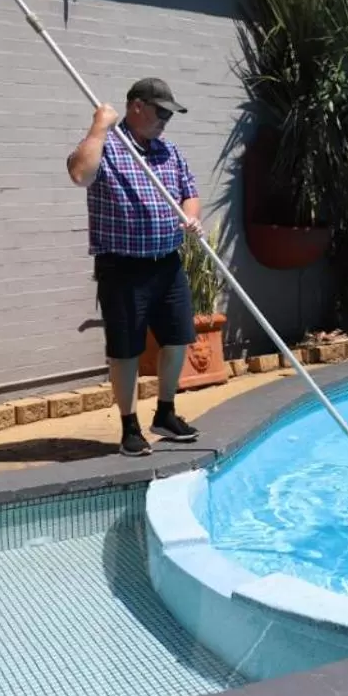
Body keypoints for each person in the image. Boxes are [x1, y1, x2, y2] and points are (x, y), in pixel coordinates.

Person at [65, 77, 205, 457]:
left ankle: (165, 413)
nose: (165, 121)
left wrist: (190, 217)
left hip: (167, 263)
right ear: (137, 106)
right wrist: (99, 125)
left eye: (169, 115)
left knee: (178, 338)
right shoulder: (107, 147)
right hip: (123, 267)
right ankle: (129, 427)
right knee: (125, 350)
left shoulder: (168, 151)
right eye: (160, 112)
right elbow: (79, 174)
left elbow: (189, 192)